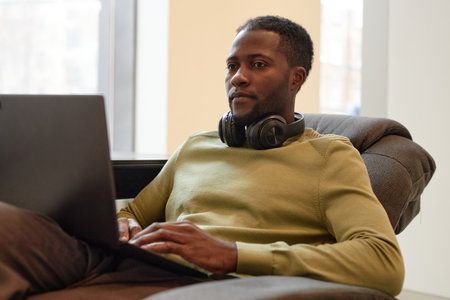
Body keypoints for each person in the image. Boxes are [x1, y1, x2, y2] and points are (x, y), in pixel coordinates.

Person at [0, 15, 404, 299]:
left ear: (296, 77)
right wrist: (123, 225)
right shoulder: (198, 144)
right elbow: (135, 214)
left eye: (257, 65)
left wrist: (233, 253)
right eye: (232, 65)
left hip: (201, 285)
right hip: (121, 259)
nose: (238, 77)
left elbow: (383, 262)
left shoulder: (329, 156)